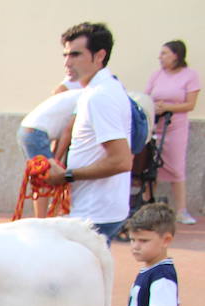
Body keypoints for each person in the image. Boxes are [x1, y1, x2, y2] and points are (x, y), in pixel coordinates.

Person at [44, 23, 133, 241]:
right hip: (98, 208)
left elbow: (121, 161)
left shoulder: (99, 96)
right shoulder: (101, 89)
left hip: (95, 212)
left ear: (99, 55)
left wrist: (66, 175)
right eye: (65, 54)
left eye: (75, 54)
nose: (67, 62)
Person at [146, 41, 199, 225]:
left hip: (176, 127)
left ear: (176, 55)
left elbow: (190, 104)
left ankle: (182, 210)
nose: (160, 57)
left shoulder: (190, 76)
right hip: (156, 126)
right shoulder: (157, 75)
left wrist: (168, 107)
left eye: (164, 53)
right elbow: (146, 97)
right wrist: (154, 107)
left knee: (176, 168)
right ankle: (147, 206)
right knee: (150, 167)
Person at [18, 82, 83, 217]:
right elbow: (68, 131)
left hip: (30, 129)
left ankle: (45, 217)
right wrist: (56, 160)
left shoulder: (75, 94)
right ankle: (43, 219)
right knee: (48, 177)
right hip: (36, 132)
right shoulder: (86, 99)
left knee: (43, 177)